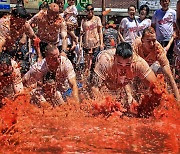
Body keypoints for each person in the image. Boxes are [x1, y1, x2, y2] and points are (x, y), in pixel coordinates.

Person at [91, 42, 157, 109]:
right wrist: (103, 107)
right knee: (105, 87)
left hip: (121, 70)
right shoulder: (105, 61)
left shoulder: (139, 63)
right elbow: (94, 88)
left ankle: (128, 96)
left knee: (127, 95)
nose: (123, 70)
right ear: (114, 58)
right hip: (102, 59)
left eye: (127, 65)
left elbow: (156, 87)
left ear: (132, 60)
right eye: (119, 64)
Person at [132, 27, 180, 101]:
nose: (152, 44)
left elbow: (170, 77)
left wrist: (178, 100)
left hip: (152, 65)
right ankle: (135, 99)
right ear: (142, 41)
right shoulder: (136, 46)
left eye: (154, 40)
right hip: (138, 66)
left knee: (163, 74)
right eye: (148, 41)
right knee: (135, 78)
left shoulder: (158, 50)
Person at [79, 4, 103, 78]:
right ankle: (86, 81)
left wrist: (101, 43)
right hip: (86, 44)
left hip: (96, 44)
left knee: (95, 63)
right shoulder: (84, 21)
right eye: (88, 10)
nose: (90, 11)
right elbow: (81, 34)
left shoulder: (97, 19)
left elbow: (100, 31)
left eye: (91, 9)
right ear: (86, 11)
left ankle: (94, 79)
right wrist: (80, 45)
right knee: (87, 64)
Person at [151, 0, 176, 65]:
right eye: (163, 1)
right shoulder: (156, 13)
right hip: (159, 40)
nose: (165, 3)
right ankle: (160, 75)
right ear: (160, 3)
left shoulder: (173, 12)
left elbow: (175, 26)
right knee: (159, 59)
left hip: (170, 40)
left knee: (170, 59)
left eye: (166, 1)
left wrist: (173, 37)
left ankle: (171, 74)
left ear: (169, 2)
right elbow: (153, 27)